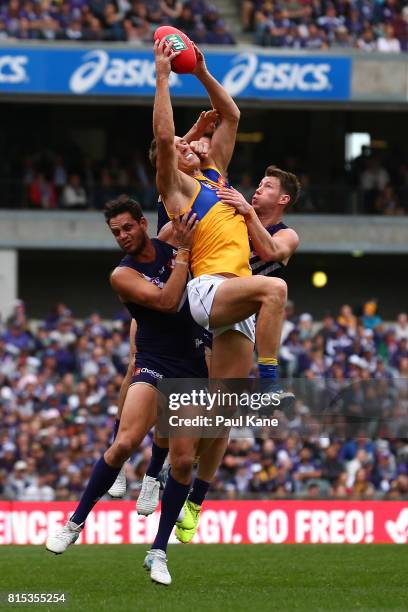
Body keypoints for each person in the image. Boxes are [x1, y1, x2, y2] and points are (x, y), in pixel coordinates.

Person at [45, 196, 206, 587]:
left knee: (184, 464)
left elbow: (181, 180)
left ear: (141, 222)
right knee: (124, 443)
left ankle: (159, 551)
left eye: (127, 227)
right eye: (115, 232)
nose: (122, 236)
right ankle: (75, 522)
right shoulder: (123, 274)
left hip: (193, 366)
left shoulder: (172, 239)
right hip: (153, 359)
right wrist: (183, 253)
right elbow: (168, 302)